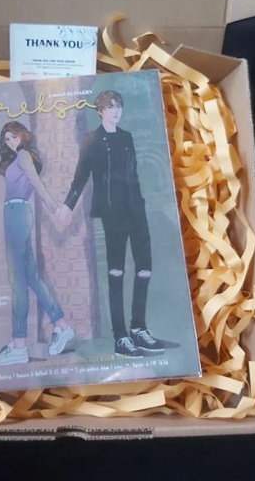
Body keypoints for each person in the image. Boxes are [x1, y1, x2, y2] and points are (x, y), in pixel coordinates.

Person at [57, 90, 164, 358]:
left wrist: (140, 202)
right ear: (100, 110)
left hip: (135, 209)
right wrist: (68, 206)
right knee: (116, 271)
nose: (116, 111)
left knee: (144, 268)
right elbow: (80, 177)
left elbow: (133, 174)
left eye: (119, 106)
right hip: (112, 212)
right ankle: (120, 337)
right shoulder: (91, 140)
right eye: (110, 106)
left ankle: (138, 328)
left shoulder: (127, 137)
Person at [0, 121, 75, 366]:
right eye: (6, 139)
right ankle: (62, 325)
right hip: (14, 213)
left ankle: (19, 345)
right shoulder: (17, 157)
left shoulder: (24, 155)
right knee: (31, 277)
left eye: (13, 136)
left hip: (16, 213)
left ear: (23, 135)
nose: (10, 142)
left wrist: (55, 208)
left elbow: (36, 183)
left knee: (17, 280)